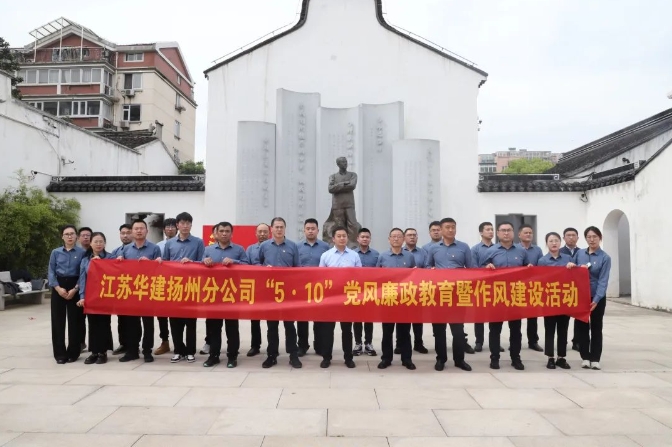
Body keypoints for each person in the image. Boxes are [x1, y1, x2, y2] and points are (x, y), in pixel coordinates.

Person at [425, 218, 473, 372]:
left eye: (453, 227)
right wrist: (431, 271)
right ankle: (441, 359)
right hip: (439, 294)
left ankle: (459, 360)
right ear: (441, 229)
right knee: (439, 330)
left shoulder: (464, 247)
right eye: (447, 227)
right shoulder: (433, 248)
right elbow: (427, 266)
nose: (451, 230)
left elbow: (471, 269)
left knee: (458, 331)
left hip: (458, 294)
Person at [483, 221, 530, 371]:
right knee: (495, 329)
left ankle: (515, 358)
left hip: (516, 295)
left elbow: (528, 271)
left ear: (513, 233)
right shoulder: (490, 251)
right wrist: (487, 267)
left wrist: (529, 268)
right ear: (498, 233)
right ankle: (494, 358)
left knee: (515, 330)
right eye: (503, 230)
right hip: (497, 295)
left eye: (509, 230)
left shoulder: (521, 251)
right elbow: (479, 271)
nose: (506, 233)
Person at [202, 222, 249, 368]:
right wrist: (204, 261)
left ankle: (232, 356)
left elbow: (248, 266)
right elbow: (199, 267)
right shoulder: (208, 249)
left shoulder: (239, 249)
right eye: (221, 231)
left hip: (232, 294)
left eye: (227, 231)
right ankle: (213, 356)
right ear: (216, 233)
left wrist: (234, 262)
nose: (224, 233)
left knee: (232, 328)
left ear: (231, 233)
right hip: (213, 294)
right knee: (214, 328)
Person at [258, 217, 302, 369]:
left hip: (288, 292)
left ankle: (293, 355)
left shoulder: (292, 246)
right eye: (276, 227)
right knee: (272, 326)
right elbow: (258, 264)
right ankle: (272, 355)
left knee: (290, 325)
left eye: (281, 227)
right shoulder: (264, 246)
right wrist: (265, 269)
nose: (279, 229)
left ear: (285, 229)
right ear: (271, 229)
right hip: (270, 292)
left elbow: (297, 267)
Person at [116, 219, 162, 362]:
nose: (139, 231)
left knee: (148, 323)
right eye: (136, 229)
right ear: (132, 232)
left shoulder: (154, 248)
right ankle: (132, 351)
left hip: (148, 290)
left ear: (146, 231)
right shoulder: (125, 249)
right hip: (131, 291)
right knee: (131, 323)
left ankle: (147, 351)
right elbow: (118, 268)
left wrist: (152, 263)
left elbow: (160, 270)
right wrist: (119, 260)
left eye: (142, 228)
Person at [317, 225, 361, 368]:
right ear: (333, 239)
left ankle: (348, 358)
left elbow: (360, 277)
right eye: (339, 236)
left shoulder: (354, 255)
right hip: (330, 299)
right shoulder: (326, 255)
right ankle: (326, 357)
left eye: (344, 236)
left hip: (347, 298)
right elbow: (320, 277)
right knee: (327, 330)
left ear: (348, 238)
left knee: (347, 330)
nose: (342, 238)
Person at [163, 212, 205, 363]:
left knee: (190, 322)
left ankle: (190, 351)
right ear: (177, 225)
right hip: (174, 286)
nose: (185, 226)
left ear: (191, 225)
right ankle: (178, 350)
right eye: (182, 223)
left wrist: (192, 262)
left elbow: (202, 262)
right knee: (175, 322)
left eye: (188, 223)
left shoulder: (198, 242)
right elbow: (165, 263)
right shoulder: (169, 243)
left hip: (191, 286)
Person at [376, 228, 417, 370]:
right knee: (387, 332)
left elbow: (414, 276)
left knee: (405, 332)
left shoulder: (409, 257)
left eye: (399, 236)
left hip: (405, 299)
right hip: (388, 299)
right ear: (389, 239)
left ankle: (407, 359)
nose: (396, 239)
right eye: (393, 236)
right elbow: (376, 277)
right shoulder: (382, 256)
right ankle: (386, 359)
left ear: (403, 239)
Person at [48, 225, 86, 364]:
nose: (70, 236)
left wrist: (75, 289)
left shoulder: (82, 253)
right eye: (67, 234)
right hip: (59, 286)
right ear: (62, 237)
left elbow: (83, 273)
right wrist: (58, 288)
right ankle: (60, 354)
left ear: (76, 236)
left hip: (75, 286)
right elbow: (51, 271)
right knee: (57, 321)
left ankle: (73, 353)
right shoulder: (55, 252)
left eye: (72, 234)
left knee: (75, 321)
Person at [538, 232, 576, 370]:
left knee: (563, 329)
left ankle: (561, 357)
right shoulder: (542, 261)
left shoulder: (567, 258)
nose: (554, 243)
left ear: (560, 243)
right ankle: (550, 357)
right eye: (551, 241)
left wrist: (573, 267)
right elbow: (539, 280)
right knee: (549, 330)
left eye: (556, 240)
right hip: (549, 300)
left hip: (564, 298)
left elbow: (574, 277)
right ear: (546, 244)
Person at [575, 226, 611, 370]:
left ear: (600, 238)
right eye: (589, 237)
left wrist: (596, 299)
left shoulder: (605, 258)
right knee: (582, 327)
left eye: (595, 236)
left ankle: (595, 358)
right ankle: (585, 357)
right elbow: (572, 270)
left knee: (596, 327)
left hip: (597, 297)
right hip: (581, 296)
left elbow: (603, 280)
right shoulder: (579, 254)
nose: (592, 239)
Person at [77, 232, 113, 365]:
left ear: (105, 243)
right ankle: (94, 351)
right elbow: (82, 280)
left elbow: (114, 274)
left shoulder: (110, 257)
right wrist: (82, 296)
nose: (98, 244)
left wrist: (101, 263)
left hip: (105, 296)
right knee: (92, 324)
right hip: (91, 297)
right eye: (96, 241)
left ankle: (103, 352)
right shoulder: (85, 260)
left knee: (104, 324)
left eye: (101, 241)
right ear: (90, 243)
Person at [297, 218, 330, 356]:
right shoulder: (297, 247)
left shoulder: (325, 247)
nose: (310, 231)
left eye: (313, 229)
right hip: (302, 287)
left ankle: (319, 345)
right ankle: (302, 345)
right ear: (304, 230)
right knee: (302, 318)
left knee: (319, 318)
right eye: (308, 229)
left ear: (318, 230)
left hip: (319, 287)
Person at [471, 221, 502, 354]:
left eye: (492, 229)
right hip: (481, 286)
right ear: (481, 232)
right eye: (487, 229)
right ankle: (479, 341)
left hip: (496, 287)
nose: (490, 231)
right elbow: (473, 267)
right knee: (479, 316)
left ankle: (495, 342)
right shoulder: (475, 249)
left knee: (495, 316)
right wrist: (485, 268)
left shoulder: (498, 248)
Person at [401, 228, 430, 355]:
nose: (412, 237)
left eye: (414, 235)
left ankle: (418, 343)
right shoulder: (400, 251)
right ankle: (400, 343)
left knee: (418, 319)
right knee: (403, 320)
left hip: (418, 291)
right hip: (402, 291)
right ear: (404, 238)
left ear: (417, 237)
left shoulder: (423, 253)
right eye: (409, 235)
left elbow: (428, 267)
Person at [516, 224, 544, 352]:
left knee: (532, 316)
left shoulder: (537, 250)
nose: (528, 235)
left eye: (530, 233)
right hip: (517, 286)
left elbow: (542, 266)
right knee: (516, 316)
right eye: (526, 232)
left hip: (532, 286)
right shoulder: (514, 248)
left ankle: (533, 341)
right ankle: (515, 341)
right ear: (519, 235)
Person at [245, 223, 270, 357]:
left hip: (271, 287)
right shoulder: (250, 249)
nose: (262, 234)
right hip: (255, 287)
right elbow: (245, 265)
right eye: (260, 232)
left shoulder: (273, 247)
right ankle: (255, 345)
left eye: (265, 232)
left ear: (269, 233)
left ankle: (272, 346)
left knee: (272, 319)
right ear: (255, 233)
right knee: (254, 319)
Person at [353, 227, 378, 356]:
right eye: (362, 237)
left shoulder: (376, 255)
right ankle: (358, 343)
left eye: (367, 237)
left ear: (370, 239)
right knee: (356, 318)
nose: (365, 239)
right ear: (358, 239)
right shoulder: (352, 254)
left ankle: (368, 343)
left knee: (369, 318)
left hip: (370, 291)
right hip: (355, 291)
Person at [155, 218, 177, 356]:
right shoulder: (158, 246)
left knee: (176, 315)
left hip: (177, 283)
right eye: (167, 226)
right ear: (163, 230)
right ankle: (165, 341)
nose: (170, 229)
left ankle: (179, 343)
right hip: (162, 283)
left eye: (172, 226)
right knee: (161, 315)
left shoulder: (180, 243)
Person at [110, 223, 132, 356]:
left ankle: (133, 345)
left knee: (133, 320)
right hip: (121, 290)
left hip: (135, 290)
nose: (125, 235)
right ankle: (123, 343)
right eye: (123, 233)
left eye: (128, 233)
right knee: (121, 319)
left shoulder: (136, 250)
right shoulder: (115, 251)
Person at [560, 227, 582, 351]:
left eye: (574, 235)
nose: (571, 237)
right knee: (564, 319)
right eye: (568, 235)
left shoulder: (583, 252)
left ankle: (577, 341)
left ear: (578, 238)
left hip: (578, 289)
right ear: (564, 238)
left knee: (580, 317)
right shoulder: (559, 252)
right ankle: (562, 342)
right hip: (564, 290)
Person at [76, 225, 93, 352]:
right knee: (79, 318)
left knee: (95, 319)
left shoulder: (97, 252)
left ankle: (97, 345)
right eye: (83, 235)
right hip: (77, 288)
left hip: (93, 290)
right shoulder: (76, 252)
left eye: (88, 235)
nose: (86, 237)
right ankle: (80, 342)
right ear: (78, 238)